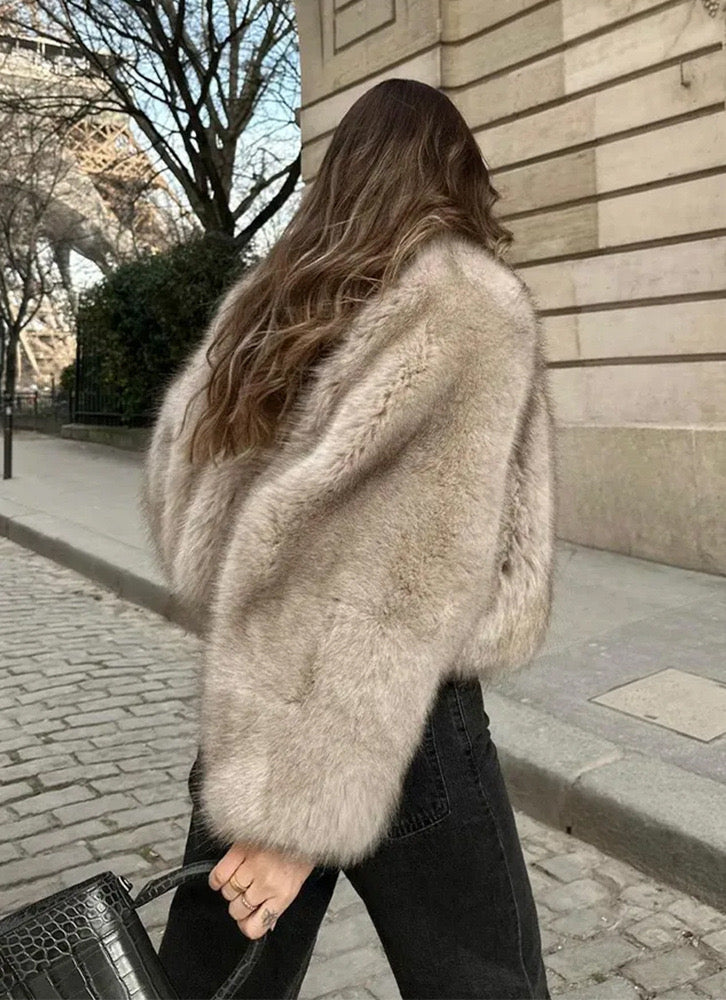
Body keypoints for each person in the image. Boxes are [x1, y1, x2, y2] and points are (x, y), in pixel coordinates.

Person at [140, 77, 557, 1000]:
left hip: (260, 701)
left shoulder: (263, 309)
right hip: (402, 723)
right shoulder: (467, 309)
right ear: (456, 175)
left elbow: (187, 511)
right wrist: (299, 811)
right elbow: (396, 582)